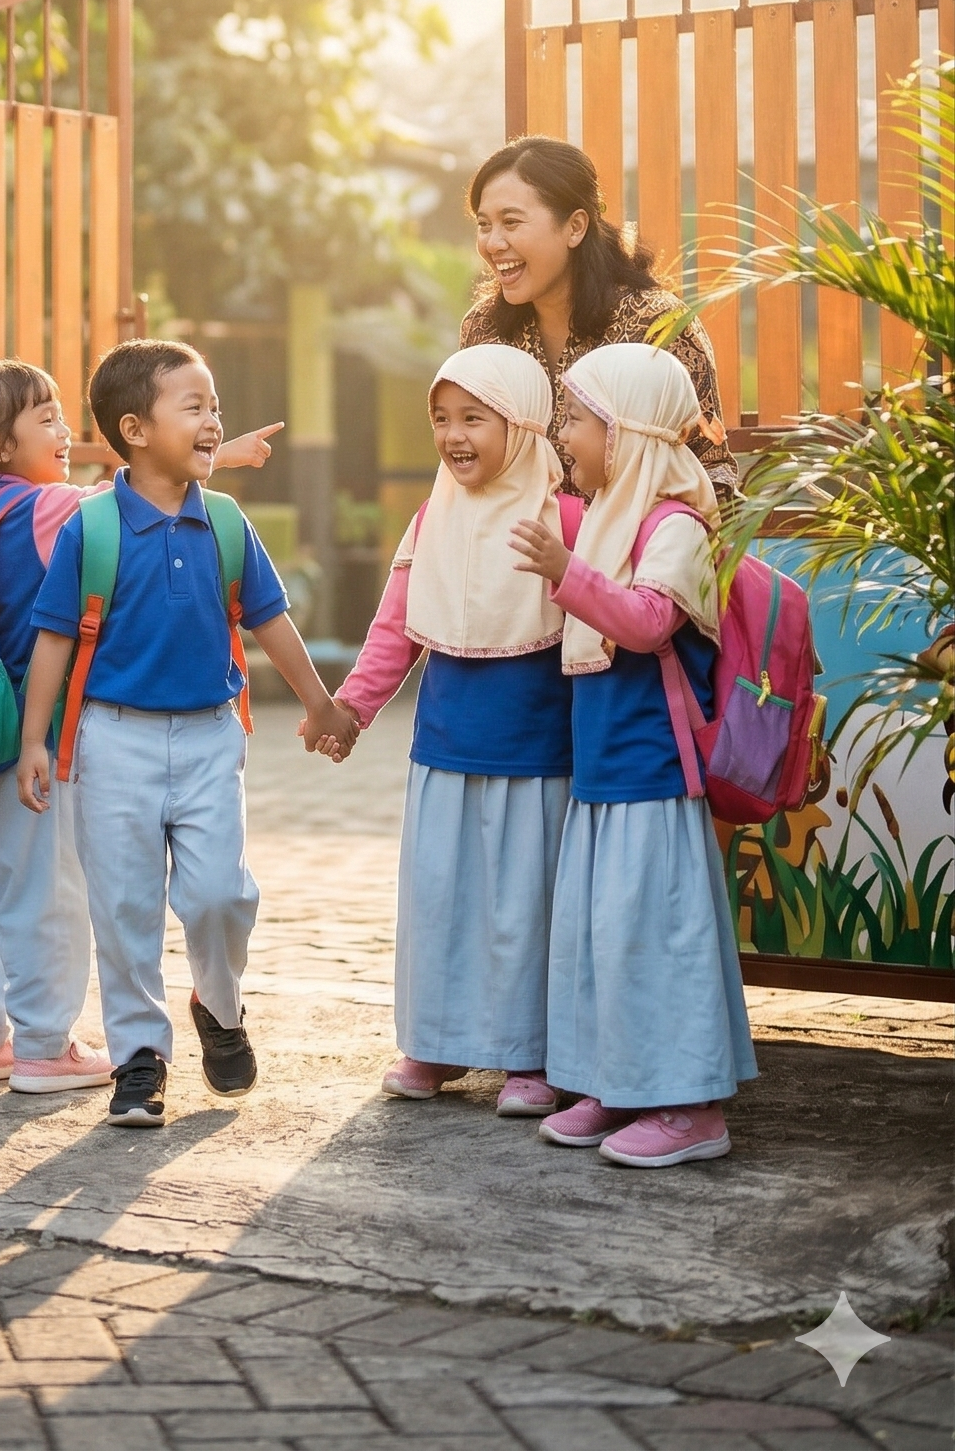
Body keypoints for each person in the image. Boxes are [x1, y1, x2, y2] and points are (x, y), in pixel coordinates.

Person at [15, 340, 355, 1128]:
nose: (213, 422)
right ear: (135, 430)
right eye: (194, 407)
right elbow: (55, 639)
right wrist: (36, 741)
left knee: (220, 895)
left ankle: (219, 1005)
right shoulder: (92, 527)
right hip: (112, 741)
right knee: (124, 907)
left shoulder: (226, 522)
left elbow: (270, 619)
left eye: (215, 407)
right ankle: (140, 1058)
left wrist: (319, 703)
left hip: (210, 737)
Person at [0, 360, 282, 1096]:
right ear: (0, 445)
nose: (65, 433)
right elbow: (129, 498)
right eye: (47, 421)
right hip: (28, 732)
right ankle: (43, 1044)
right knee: (47, 894)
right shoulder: (49, 509)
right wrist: (223, 454)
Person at [509, 343, 757, 1167]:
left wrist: (566, 571)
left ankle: (690, 1106)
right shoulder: (613, 518)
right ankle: (619, 1082)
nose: (564, 436)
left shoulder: (674, 523)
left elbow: (650, 623)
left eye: (578, 420)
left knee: (657, 938)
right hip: (607, 773)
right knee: (605, 937)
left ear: (629, 432)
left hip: (654, 773)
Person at [320, 346, 573, 1115]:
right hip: (446, 746)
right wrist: (352, 709)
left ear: (523, 424)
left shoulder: (563, 518)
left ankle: (530, 1054)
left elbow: (595, 624)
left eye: (474, 418)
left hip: (536, 751)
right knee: (441, 902)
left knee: (524, 910)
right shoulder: (432, 517)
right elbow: (394, 628)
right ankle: (434, 1042)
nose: (453, 435)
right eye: (440, 418)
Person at [461, 136, 736, 503]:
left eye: (511, 222)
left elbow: (711, 475)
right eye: (484, 225)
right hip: (512, 535)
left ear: (575, 227)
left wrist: (608, 533)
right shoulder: (483, 330)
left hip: (637, 537)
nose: (493, 243)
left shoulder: (655, 325)